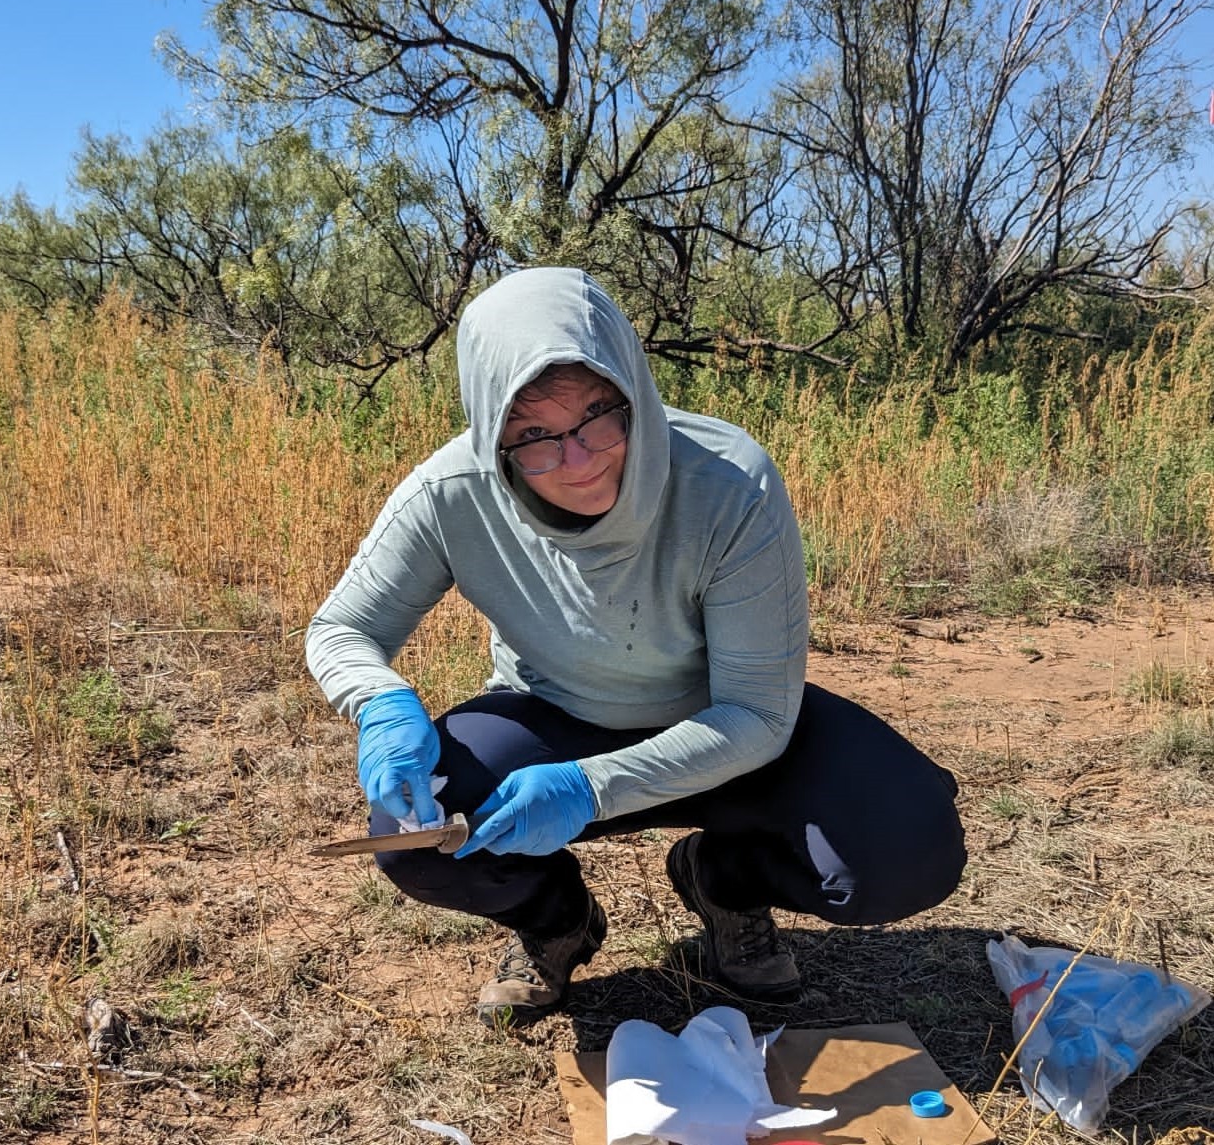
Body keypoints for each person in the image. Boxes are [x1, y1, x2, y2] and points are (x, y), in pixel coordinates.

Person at [306, 267, 966, 1026]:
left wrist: (593, 788)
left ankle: (725, 881)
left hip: (727, 732)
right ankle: (555, 919)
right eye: (532, 436)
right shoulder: (451, 492)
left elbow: (756, 712)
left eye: (598, 414)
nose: (580, 458)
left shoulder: (728, 482)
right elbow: (341, 629)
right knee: (411, 834)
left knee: (905, 848)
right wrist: (382, 703)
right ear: (492, 430)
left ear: (634, 387)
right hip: (553, 719)